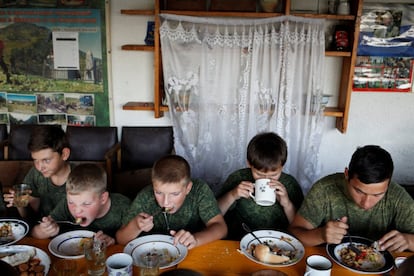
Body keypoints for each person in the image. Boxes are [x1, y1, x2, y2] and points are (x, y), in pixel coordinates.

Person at [288, 145, 414, 253]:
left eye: (377, 195)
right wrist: (320, 235)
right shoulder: (324, 190)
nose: (366, 204)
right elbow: (293, 233)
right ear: (347, 174)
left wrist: (408, 240)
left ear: (389, 183)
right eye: (359, 191)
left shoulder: (397, 197)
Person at [116, 155, 227, 249]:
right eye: (159, 193)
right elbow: (120, 239)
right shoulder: (146, 196)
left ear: (188, 188)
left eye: (174, 194)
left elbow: (221, 227)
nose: (165, 202)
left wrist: (196, 239)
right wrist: (136, 226)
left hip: (193, 251)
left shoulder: (199, 190)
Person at [217, 132, 304, 240]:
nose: (266, 179)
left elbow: (301, 229)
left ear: (282, 166)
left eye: (274, 175)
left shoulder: (290, 184)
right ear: (249, 164)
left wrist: (287, 204)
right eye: (259, 174)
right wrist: (232, 195)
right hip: (240, 239)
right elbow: (213, 216)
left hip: (280, 241)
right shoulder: (238, 178)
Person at [31, 163, 130, 246]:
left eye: (86, 204)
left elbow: (132, 242)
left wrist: (114, 242)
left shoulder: (122, 206)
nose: (77, 210)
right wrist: (44, 230)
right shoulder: (65, 205)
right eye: (71, 202)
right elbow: (34, 234)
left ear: (103, 198)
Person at [3, 125, 72, 220]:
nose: (39, 167)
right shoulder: (36, 174)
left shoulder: (81, 177)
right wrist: (20, 204)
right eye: (35, 160)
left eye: (46, 160)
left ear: (64, 154)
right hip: (42, 229)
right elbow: (30, 216)